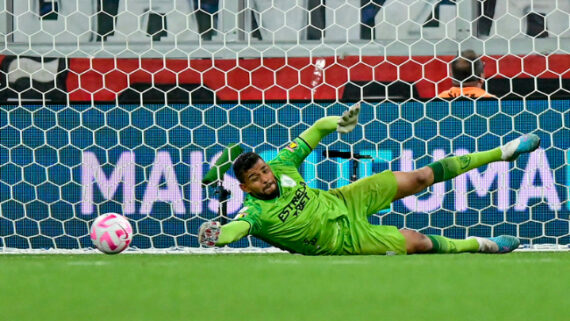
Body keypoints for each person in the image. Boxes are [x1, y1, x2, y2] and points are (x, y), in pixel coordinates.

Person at [198, 103, 540, 255]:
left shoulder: (284, 163)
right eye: (256, 179)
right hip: (342, 241)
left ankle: (503, 151)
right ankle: (483, 246)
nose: (265, 179)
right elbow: (234, 231)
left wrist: (340, 124)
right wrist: (216, 235)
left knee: (420, 176)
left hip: (344, 199)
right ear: (244, 188)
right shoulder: (254, 214)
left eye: (264, 171)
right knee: (417, 242)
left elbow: (317, 128)